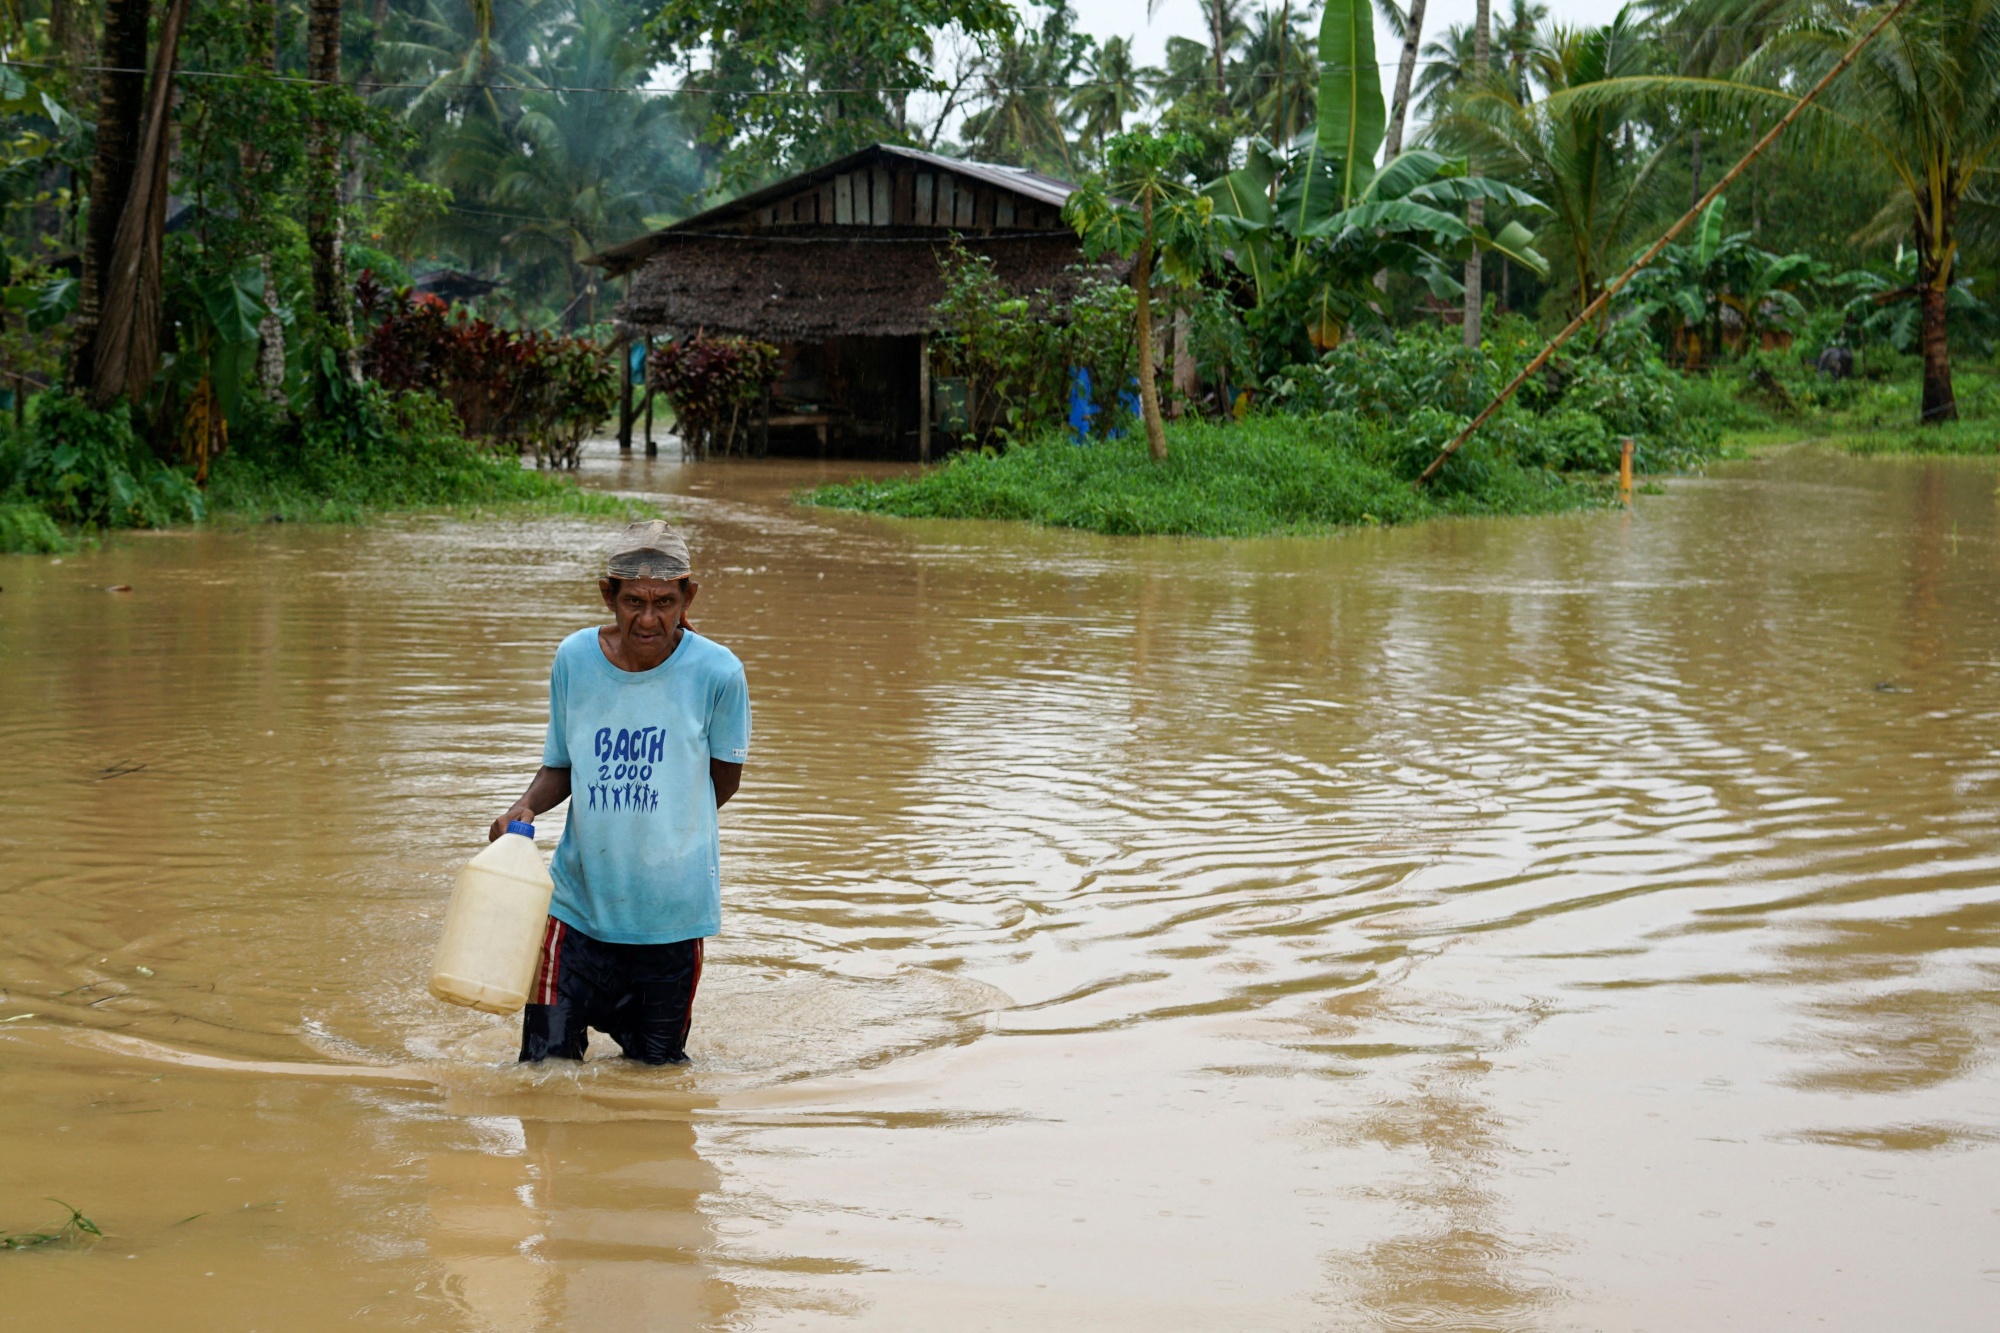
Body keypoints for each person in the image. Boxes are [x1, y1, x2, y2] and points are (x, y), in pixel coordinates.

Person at [491, 520, 750, 1065]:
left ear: (689, 597)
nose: (648, 618)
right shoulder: (575, 659)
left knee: (653, 1083)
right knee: (542, 1073)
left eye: (664, 601)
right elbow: (563, 765)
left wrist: (664, 826)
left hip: (671, 922)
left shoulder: (718, 674)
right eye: (633, 600)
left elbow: (719, 784)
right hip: (576, 913)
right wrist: (527, 805)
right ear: (608, 595)